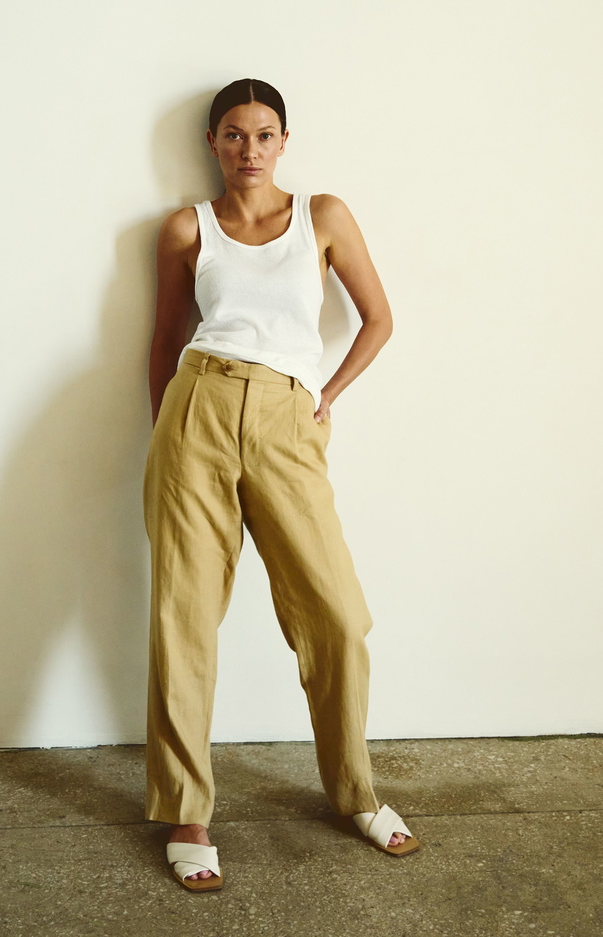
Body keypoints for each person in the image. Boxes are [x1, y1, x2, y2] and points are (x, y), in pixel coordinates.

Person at [143, 78, 420, 892]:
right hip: (196, 408)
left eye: (264, 134)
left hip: (287, 416)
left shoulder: (321, 216)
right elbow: (164, 339)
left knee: (336, 613)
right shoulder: (187, 228)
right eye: (233, 134)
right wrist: (163, 432)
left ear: (284, 141)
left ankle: (355, 790)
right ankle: (186, 812)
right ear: (213, 143)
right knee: (184, 616)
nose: (250, 149)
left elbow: (379, 318)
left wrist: (325, 394)